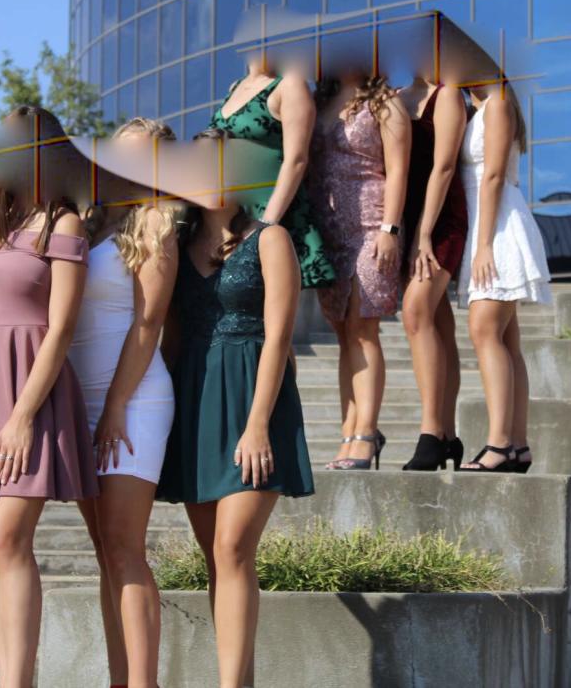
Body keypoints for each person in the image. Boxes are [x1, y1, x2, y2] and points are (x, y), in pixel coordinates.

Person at [0, 105, 98, 685]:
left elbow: (61, 329)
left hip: (30, 392)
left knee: (11, 537)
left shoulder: (66, 225)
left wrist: (24, 414)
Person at [157, 128, 314, 688]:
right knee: (216, 560)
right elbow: (169, 335)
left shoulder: (270, 239)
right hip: (195, 399)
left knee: (233, 548)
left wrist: (257, 425)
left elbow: (279, 338)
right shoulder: (176, 242)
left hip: (253, 399)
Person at [69, 117, 181, 688]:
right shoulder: (89, 225)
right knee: (104, 554)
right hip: (80, 404)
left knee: (123, 548)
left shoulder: (156, 223)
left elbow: (148, 323)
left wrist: (114, 406)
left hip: (133, 402)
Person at [309, 73, 410, 470]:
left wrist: (390, 229)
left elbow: (398, 169)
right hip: (329, 231)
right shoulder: (319, 102)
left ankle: (366, 433)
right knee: (343, 333)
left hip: (371, 225)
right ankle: (349, 431)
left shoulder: (387, 102)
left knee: (363, 328)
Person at [456, 82, 552, 473]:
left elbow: (493, 176)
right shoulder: (480, 106)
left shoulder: (496, 104)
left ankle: (499, 444)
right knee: (507, 340)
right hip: (488, 227)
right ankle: (517, 445)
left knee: (484, 331)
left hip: (496, 228)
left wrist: (482, 246)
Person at [210, 56, 336, 289]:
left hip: (269, 211)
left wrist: (266, 223)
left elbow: (297, 159)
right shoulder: (234, 87)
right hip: (233, 211)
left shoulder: (290, 83)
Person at [396, 75, 469, 471]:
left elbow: (444, 166)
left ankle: (430, 432)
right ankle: (448, 434)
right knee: (439, 322)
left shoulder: (449, 94)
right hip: (409, 221)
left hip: (441, 221)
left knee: (417, 311)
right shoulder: (396, 96)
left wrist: (424, 233)